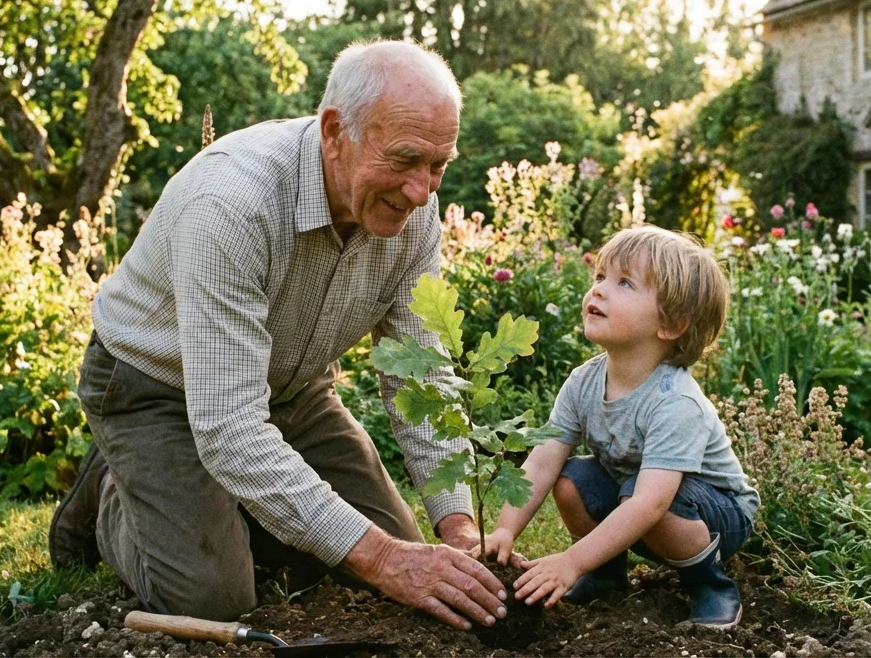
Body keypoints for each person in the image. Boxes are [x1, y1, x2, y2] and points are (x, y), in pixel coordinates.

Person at [48, 39, 509, 632]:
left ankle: (224, 507)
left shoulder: (412, 212)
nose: (421, 191)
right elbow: (230, 428)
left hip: (293, 390)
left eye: (438, 164)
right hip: (157, 387)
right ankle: (112, 491)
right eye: (404, 160)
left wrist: (459, 527)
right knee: (213, 597)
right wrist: (382, 559)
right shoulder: (234, 203)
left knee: (405, 565)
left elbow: (419, 373)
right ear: (335, 130)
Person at [476, 225, 760, 629]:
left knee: (641, 495)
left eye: (624, 282)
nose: (599, 291)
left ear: (672, 323)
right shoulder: (583, 383)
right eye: (600, 277)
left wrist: (570, 561)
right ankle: (605, 575)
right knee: (571, 477)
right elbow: (543, 461)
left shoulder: (675, 402)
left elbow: (651, 503)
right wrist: (505, 530)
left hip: (716, 515)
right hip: (641, 498)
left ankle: (709, 585)